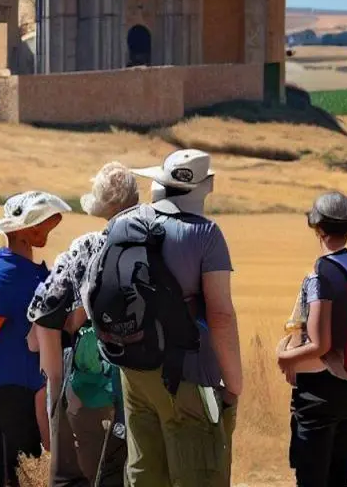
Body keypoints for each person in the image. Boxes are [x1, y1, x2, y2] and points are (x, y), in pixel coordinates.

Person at [116, 149, 242, 487]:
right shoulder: (205, 234)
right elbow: (220, 314)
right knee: (199, 471)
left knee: (145, 473)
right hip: (187, 373)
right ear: (205, 187)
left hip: (134, 370)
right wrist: (234, 382)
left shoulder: (125, 224)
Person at [27, 162, 138, 487]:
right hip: (148, 385)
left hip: (88, 388)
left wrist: (55, 388)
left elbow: (44, 308)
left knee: (73, 478)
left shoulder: (85, 247)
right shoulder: (159, 242)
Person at [0, 191, 71, 487]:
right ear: (24, 232)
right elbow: (54, 324)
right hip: (13, 390)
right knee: (22, 471)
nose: (47, 229)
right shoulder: (24, 277)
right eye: (40, 224)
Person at [277, 191, 347, 487]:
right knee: (339, 477)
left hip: (319, 393)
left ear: (318, 228)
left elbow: (320, 344)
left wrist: (284, 357)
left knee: (312, 479)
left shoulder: (321, 275)